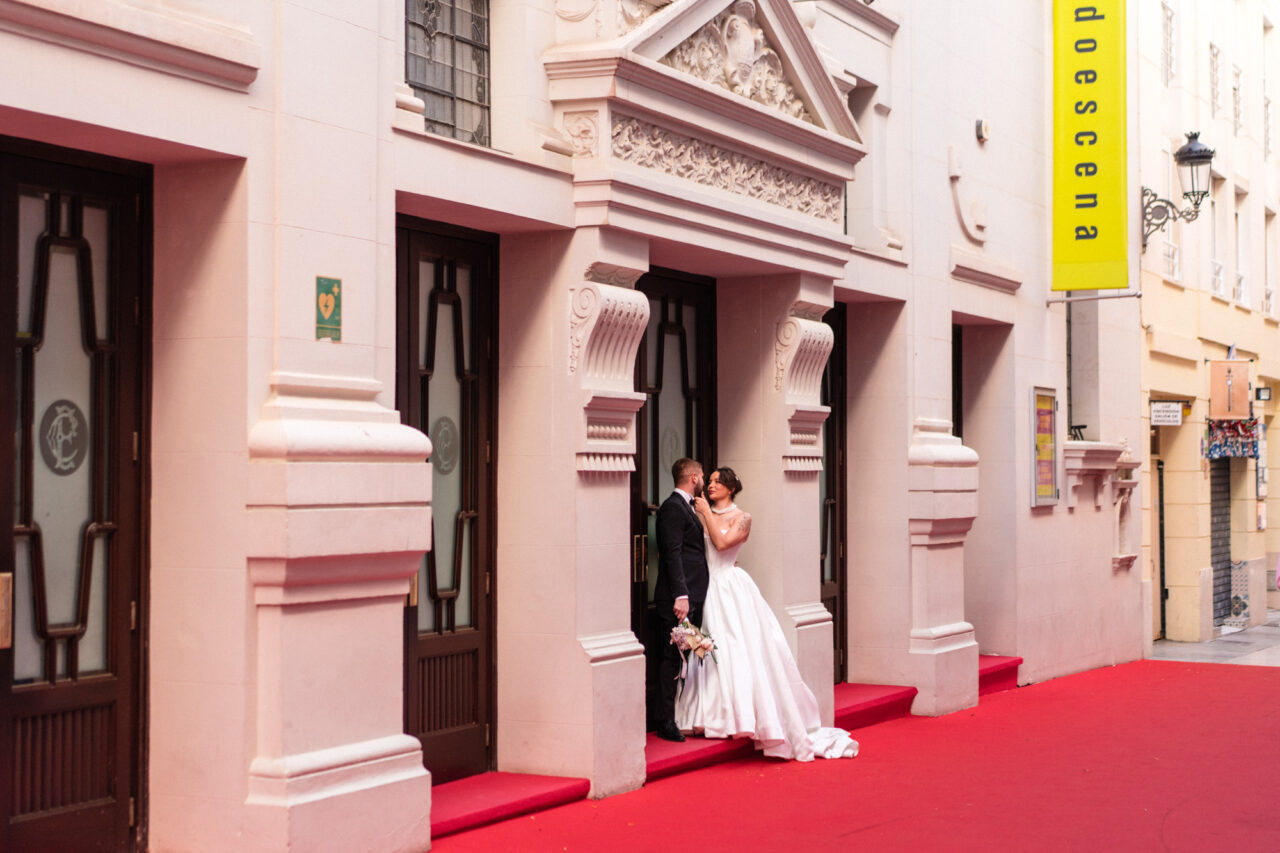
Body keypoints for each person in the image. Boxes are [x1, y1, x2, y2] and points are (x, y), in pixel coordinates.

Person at [677, 467, 858, 761]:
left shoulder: (742, 517)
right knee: (711, 651)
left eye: (717, 482)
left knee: (737, 648)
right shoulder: (700, 513)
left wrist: (706, 514)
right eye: (708, 481)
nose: (711, 486)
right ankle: (715, 716)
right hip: (707, 587)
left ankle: (747, 718)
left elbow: (723, 543)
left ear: (731, 488)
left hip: (731, 588)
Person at [653, 457, 710, 743]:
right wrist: (681, 595)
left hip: (692, 596)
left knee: (687, 655)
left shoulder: (688, 508)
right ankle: (664, 720)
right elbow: (673, 553)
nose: (703, 481)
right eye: (702, 476)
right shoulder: (673, 508)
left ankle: (681, 713)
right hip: (677, 600)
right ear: (694, 477)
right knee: (671, 659)